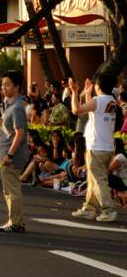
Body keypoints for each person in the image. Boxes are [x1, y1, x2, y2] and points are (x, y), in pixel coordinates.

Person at [69, 76, 118, 222]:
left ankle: (108, 210)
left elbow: (77, 110)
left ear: (98, 86)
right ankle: (90, 209)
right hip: (106, 147)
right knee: (93, 179)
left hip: (97, 147)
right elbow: (92, 111)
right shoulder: (111, 101)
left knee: (98, 180)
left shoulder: (99, 101)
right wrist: (88, 93)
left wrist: (74, 91)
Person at [0, 70, 29, 233]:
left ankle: (16, 222)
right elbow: (9, 129)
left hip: (11, 156)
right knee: (9, 190)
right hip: (6, 153)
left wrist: (10, 155)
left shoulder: (18, 107)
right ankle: (14, 220)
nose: (3, 88)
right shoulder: (11, 105)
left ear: (16, 87)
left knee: (12, 190)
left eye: (7, 85)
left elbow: (20, 133)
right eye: (2, 85)